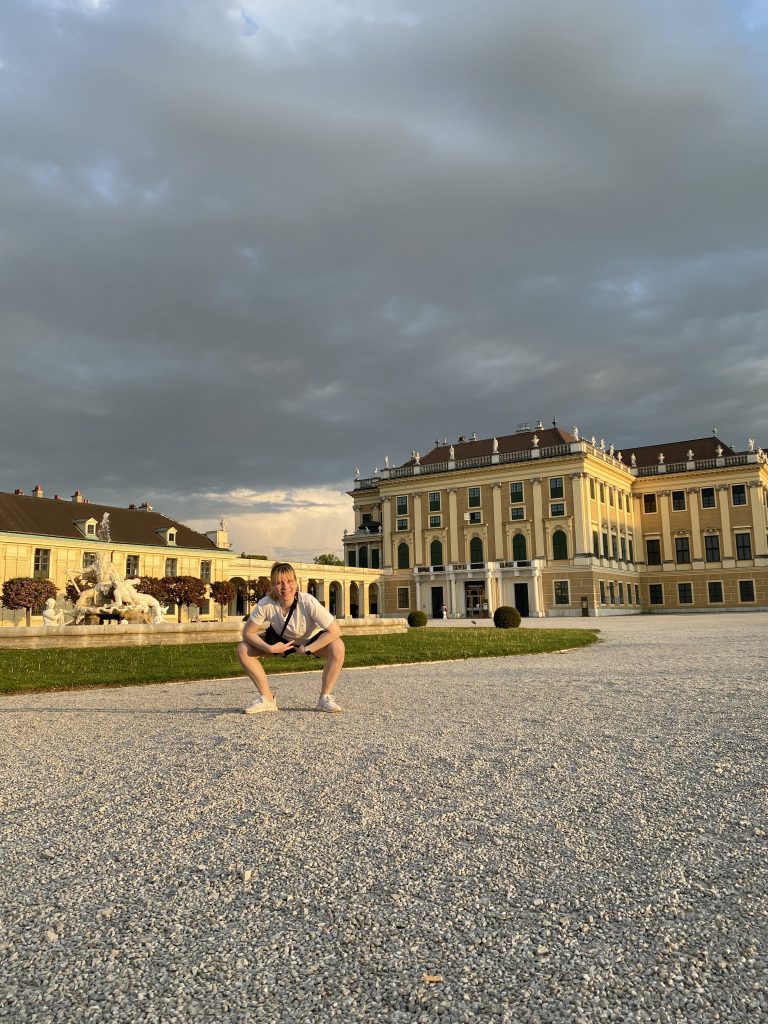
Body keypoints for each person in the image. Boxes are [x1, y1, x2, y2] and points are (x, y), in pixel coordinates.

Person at [238, 562, 345, 714]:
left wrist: (308, 649)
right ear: (273, 585)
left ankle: (324, 698)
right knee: (243, 649)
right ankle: (267, 699)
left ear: (296, 582)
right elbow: (247, 633)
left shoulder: (308, 601)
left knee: (338, 646)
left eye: (289, 581)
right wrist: (270, 648)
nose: (285, 587)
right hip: (280, 640)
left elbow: (335, 631)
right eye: (279, 583)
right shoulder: (266, 604)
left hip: (310, 639)